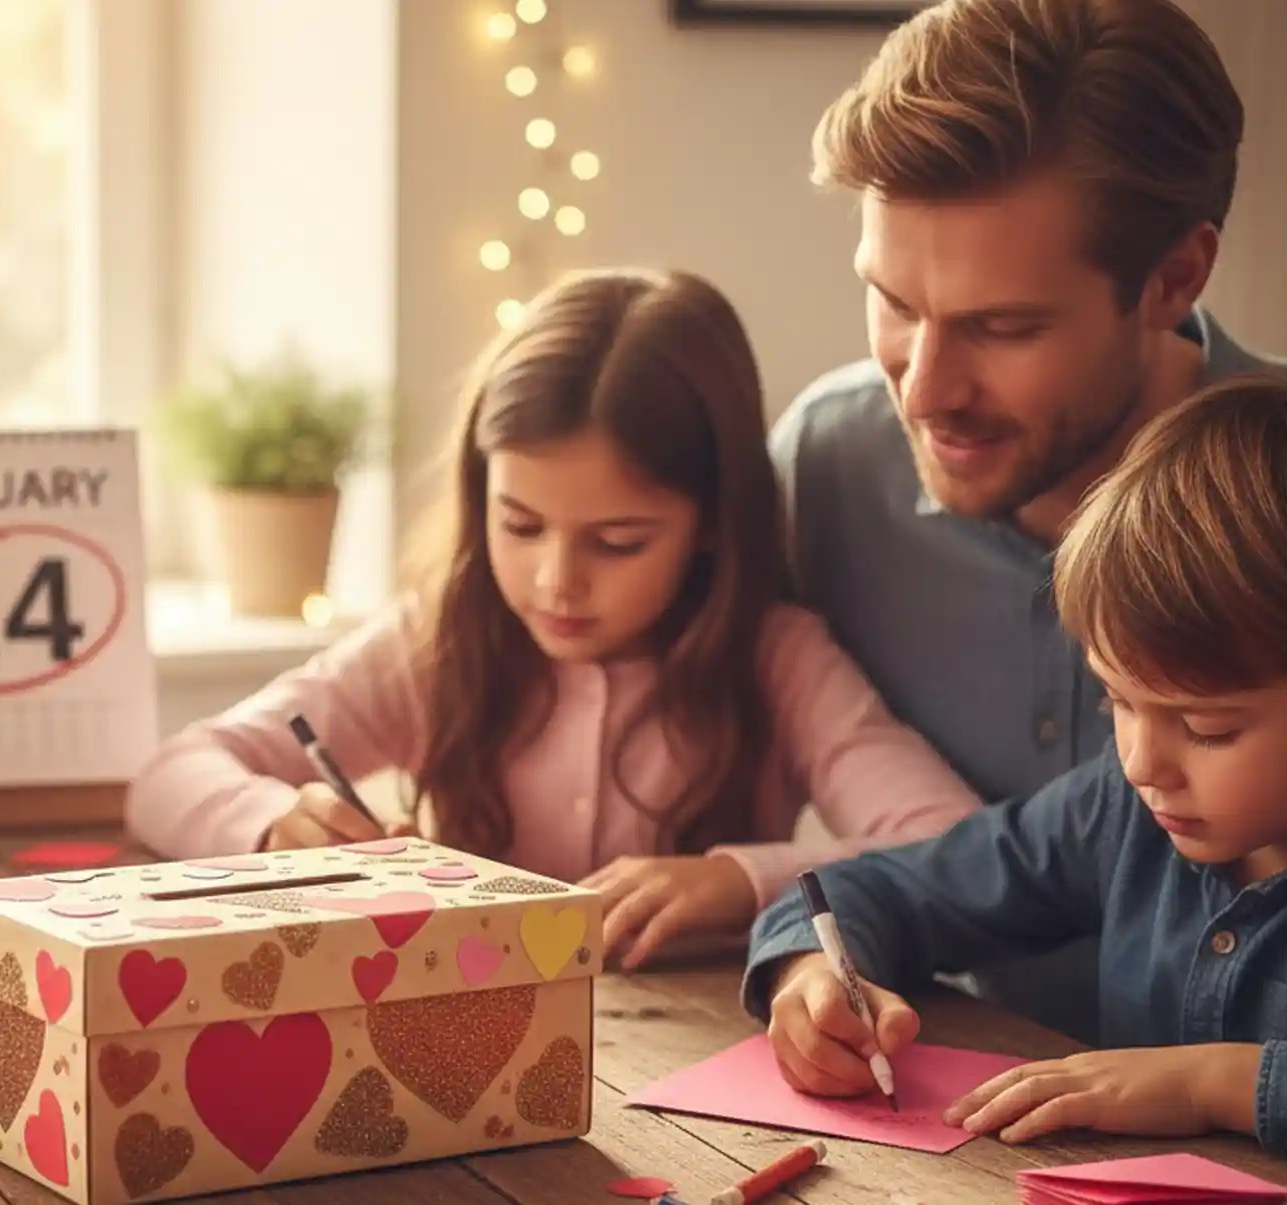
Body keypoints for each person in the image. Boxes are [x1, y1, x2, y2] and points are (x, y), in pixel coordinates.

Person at [127, 267, 982, 969]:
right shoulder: (440, 635)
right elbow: (170, 773)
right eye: (519, 525)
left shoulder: (775, 656)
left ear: (712, 524)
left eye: (617, 541)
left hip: (691, 1067)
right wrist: (272, 822)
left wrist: (739, 880)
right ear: (479, 495)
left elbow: (955, 849)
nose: (554, 581)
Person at [768, 0, 1287, 1039]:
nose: (921, 390)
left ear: (1171, 278)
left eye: (1000, 326)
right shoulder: (826, 462)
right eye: (894, 303)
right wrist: (795, 958)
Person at [745, 373, 1287, 1157]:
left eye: (1206, 728)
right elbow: (888, 886)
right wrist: (808, 973)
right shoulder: (1119, 809)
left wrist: (1212, 1082)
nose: (1143, 763)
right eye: (1118, 703)